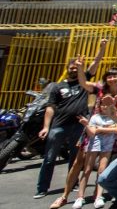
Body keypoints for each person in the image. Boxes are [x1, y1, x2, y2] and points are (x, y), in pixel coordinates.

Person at [36, 44, 103, 200]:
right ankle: (42, 188)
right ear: (67, 69)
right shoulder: (57, 87)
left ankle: (72, 184)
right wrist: (46, 127)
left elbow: (95, 64)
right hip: (59, 125)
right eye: (71, 68)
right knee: (49, 158)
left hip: (78, 126)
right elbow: (50, 107)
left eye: (76, 68)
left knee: (75, 158)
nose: (74, 70)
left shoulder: (83, 81)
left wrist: (102, 48)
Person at [72, 99, 117, 209]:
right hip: (94, 144)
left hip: (108, 145)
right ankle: (80, 197)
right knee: (87, 170)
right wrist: (87, 124)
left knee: (102, 171)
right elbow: (92, 133)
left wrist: (100, 129)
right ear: (99, 106)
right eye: (103, 105)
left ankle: (98, 196)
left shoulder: (114, 117)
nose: (105, 107)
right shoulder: (95, 117)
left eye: (108, 105)